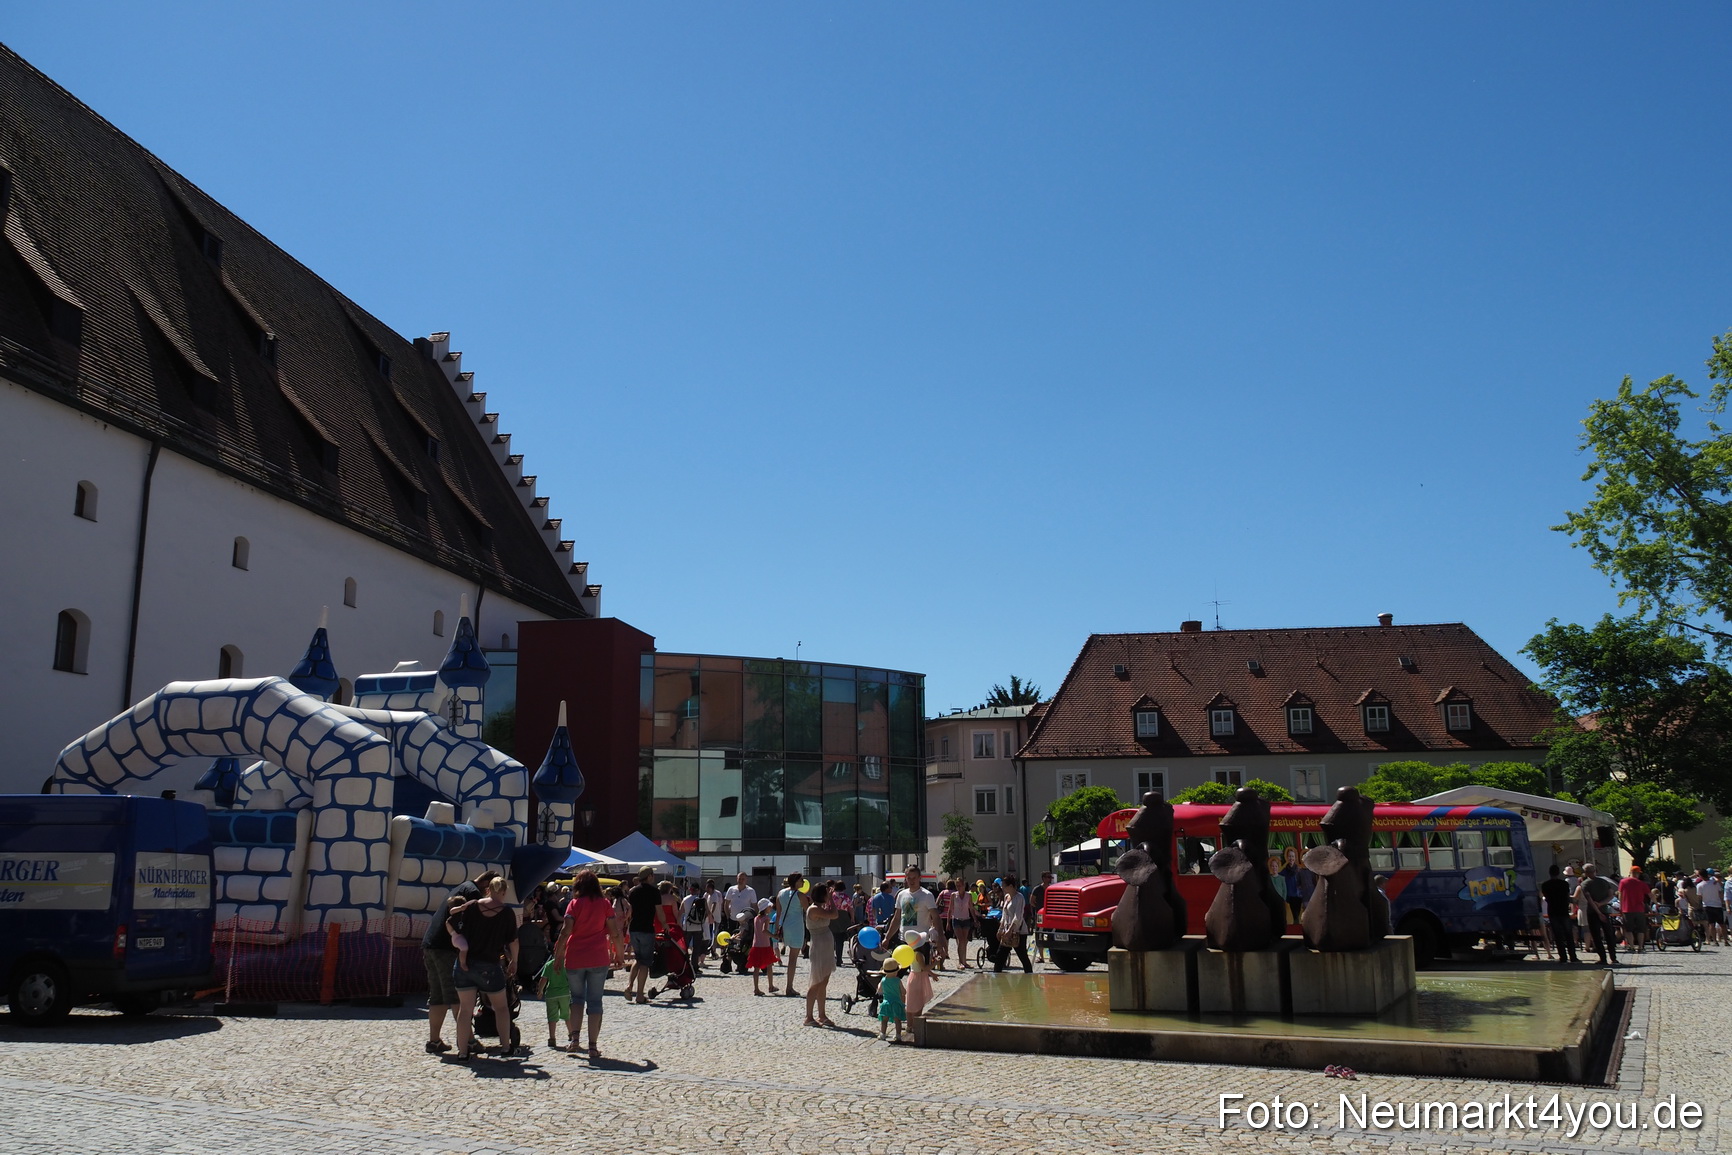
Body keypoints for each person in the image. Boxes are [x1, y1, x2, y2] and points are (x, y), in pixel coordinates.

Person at [420, 868, 498, 1054]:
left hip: (431, 945)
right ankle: (469, 1041)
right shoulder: (472, 893)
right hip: (447, 949)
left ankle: (434, 1041)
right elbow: (475, 925)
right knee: (458, 995)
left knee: (438, 995)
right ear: (487, 887)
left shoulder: (462, 886)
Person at [449, 876, 519, 1061]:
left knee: (465, 1010)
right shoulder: (506, 913)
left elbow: (453, 921)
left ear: (488, 889)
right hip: (489, 965)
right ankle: (505, 1047)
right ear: (503, 892)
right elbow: (513, 941)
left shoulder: (472, 906)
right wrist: (515, 961)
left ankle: (463, 1051)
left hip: (465, 964)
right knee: (501, 1008)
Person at [559, 869, 619, 1060]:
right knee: (595, 1001)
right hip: (598, 957)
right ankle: (592, 1047)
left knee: (576, 999)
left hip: (575, 956)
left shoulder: (574, 904)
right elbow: (615, 931)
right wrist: (619, 954)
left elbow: (565, 931)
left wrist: (558, 955)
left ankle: (574, 1040)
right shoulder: (605, 904)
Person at [803, 881, 839, 1027]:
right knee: (816, 982)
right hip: (819, 946)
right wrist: (831, 899)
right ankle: (809, 1016)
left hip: (826, 945)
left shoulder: (820, 908)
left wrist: (829, 899)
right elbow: (835, 914)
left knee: (823, 982)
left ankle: (822, 1015)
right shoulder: (813, 909)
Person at [625, 867, 660, 1004]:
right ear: (650, 876)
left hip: (634, 928)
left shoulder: (633, 891)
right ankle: (640, 995)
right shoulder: (654, 892)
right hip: (646, 928)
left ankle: (629, 986)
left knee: (637, 959)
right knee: (645, 962)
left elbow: (630, 910)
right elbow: (659, 912)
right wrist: (665, 925)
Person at [1575, 863, 1618, 966]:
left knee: (1596, 936)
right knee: (1609, 934)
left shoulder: (1585, 884)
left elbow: (1590, 900)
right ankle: (1613, 957)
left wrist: (1598, 912)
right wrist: (1602, 904)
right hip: (1605, 910)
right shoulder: (1604, 882)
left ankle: (1603, 958)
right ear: (1595, 871)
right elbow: (1611, 895)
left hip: (1593, 912)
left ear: (1585, 872)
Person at [890, 867, 939, 955]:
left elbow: (935, 917)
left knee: (920, 968)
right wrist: (887, 938)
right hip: (904, 940)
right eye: (909, 878)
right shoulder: (901, 895)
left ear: (920, 878)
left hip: (921, 941)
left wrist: (941, 938)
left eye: (914, 878)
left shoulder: (927, 895)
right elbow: (897, 918)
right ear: (906, 878)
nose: (912, 881)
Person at [775, 872, 809, 998]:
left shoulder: (780, 893)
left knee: (791, 957)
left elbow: (778, 914)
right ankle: (789, 987)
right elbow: (808, 912)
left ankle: (789, 986)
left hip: (785, 926)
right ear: (796, 881)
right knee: (793, 959)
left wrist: (777, 929)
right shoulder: (800, 895)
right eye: (801, 880)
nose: (803, 882)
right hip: (796, 927)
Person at [993, 874, 1032, 973]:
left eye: (1004, 886)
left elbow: (1018, 916)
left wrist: (1010, 930)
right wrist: (1001, 928)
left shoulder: (1019, 898)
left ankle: (1029, 976)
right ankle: (997, 979)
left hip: (1018, 931)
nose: (1002, 887)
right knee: (1000, 956)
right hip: (1007, 931)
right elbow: (1004, 915)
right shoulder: (1007, 897)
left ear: (1010, 886)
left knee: (1022, 956)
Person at [1540, 865, 1577, 964]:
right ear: (1558, 873)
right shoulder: (1564, 884)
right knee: (1568, 934)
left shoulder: (1545, 885)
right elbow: (1567, 896)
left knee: (1557, 935)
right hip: (1563, 910)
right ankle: (1573, 956)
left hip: (1552, 911)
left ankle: (1563, 956)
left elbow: (1546, 897)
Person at [537, 949, 571, 1051]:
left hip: (551, 994)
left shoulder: (549, 965)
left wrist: (540, 991)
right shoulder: (566, 965)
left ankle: (552, 1038)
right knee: (567, 1015)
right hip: (565, 994)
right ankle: (571, 1034)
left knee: (551, 1017)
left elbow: (543, 979)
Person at [1617, 866, 1652, 954]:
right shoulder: (1641, 883)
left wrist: (1620, 907)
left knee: (1629, 929)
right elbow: (1650, 894)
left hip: (1627, 909)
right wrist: (1655, 903)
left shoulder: (1623, 882)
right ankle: (1640, 947)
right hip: (1639, 909)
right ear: (1638, 873)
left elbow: (1620, 895)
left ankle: (1632, 946)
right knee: (1641, 929)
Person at [748, 898, 779, 995]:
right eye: (769, 907)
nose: (771, 908)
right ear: (765, 908)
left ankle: (756, 988)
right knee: (769, 966)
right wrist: (774, 935)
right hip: (765, 945)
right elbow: (764, 930)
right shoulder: (766, 918)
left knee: (756, 968)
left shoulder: (756, 918)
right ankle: (770, 986)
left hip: (756, 945)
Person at [942, 878, 974, 968]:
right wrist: (948, 922)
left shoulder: (969, 895)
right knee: (960, 940)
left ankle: (964, 961)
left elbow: (971, 908)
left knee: (965, 941)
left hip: (966, 919)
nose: (958, 887)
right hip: (956, 919)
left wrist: (975, 918)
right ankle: (960, 962)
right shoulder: (953, 895)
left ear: (964, 885)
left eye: (960, 885)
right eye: (957, 886)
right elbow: (950, 909)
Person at [680, 881, 709, 972]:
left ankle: (684, 966)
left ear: (690, 890)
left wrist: (679, 924)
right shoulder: (702, 900)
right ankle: (694, 967)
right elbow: (707, 913)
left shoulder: (685, 899)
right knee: (696, 949)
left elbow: (680, 912)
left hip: (687, 926)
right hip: (698, 927)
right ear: (698, 890)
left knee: (685, 947)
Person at [876, 956, 907, 1042]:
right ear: (896, 971)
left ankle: (882, 1034)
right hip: (896, 1002)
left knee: (884, 1020)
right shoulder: (898, 980)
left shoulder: (883, 980)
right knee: (897, 1020)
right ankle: (898, 1035)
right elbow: (904, 991)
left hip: (886, 1002)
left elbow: (879, 991)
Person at [1030, 871, 1053, 963]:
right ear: (1043, 878)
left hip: (1050, 915)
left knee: (1051, 935)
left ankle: (1052, 956)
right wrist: (1038, 909)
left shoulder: (1052, 888)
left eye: (1050, 877)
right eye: (1048, 877)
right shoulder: (1037, 889)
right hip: (1040, 915)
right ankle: (1042, 957)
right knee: (1039, 935)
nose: (1049, 879)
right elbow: (1032, 901)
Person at [1698, 869, 1725, 945]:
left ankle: (1715, 941)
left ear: (1700, 876)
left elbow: (1699, 897)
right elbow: (1720, 892)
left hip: (1707, 905)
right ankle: (1726, 940)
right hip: (1717, 905)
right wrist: (1722, 901)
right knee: (1722, 924)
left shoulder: (1700, 885)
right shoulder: (1715, 883)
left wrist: (1699, 905)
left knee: (1711, 924)